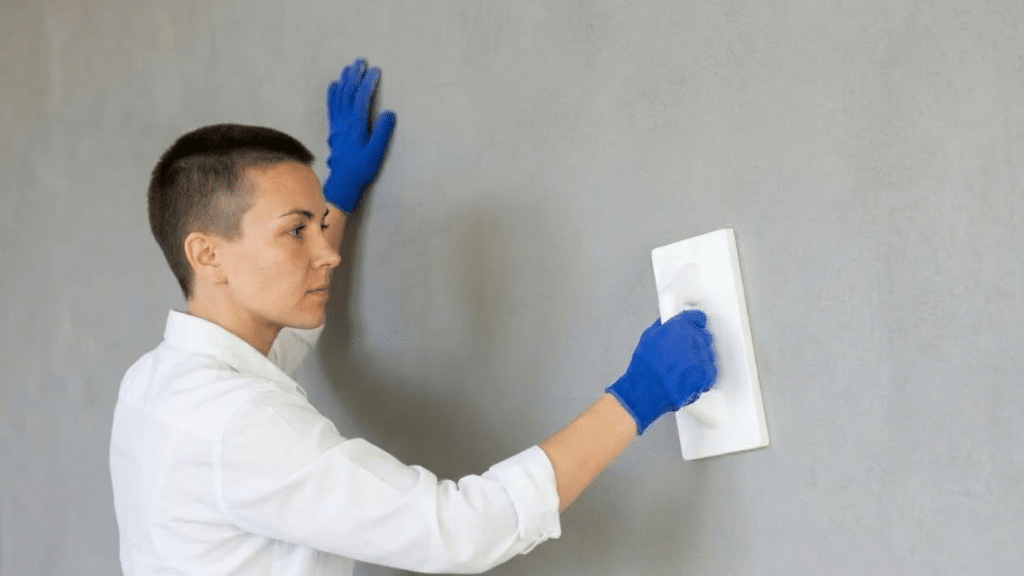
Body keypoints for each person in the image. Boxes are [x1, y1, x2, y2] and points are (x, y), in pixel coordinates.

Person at [109, 58, 717, 575]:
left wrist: (336, 197)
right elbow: (456, 530)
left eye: (318, 225)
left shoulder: (157, 381)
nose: (327, 254)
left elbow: (287, 339)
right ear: (206, 253)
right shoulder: (239, 422)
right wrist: (637, 397)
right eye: (296, 231)